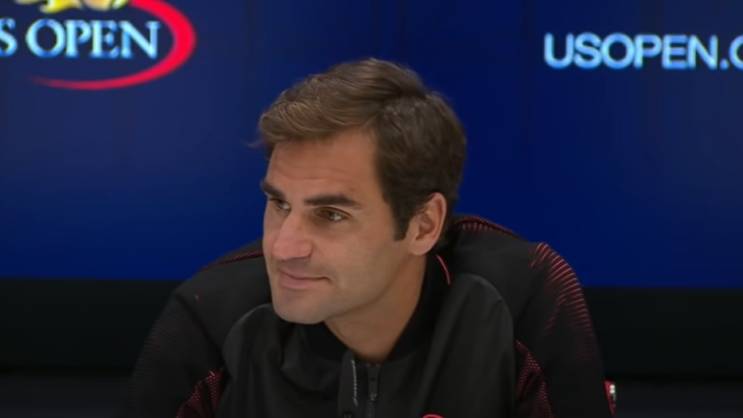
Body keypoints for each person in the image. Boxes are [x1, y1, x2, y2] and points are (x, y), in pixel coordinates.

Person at [123, 58, 615, 418]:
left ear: (423, 226)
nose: (283, 247)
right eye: (279, 204)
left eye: (331, 214)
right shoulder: (211, 316)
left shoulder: (522, 296)